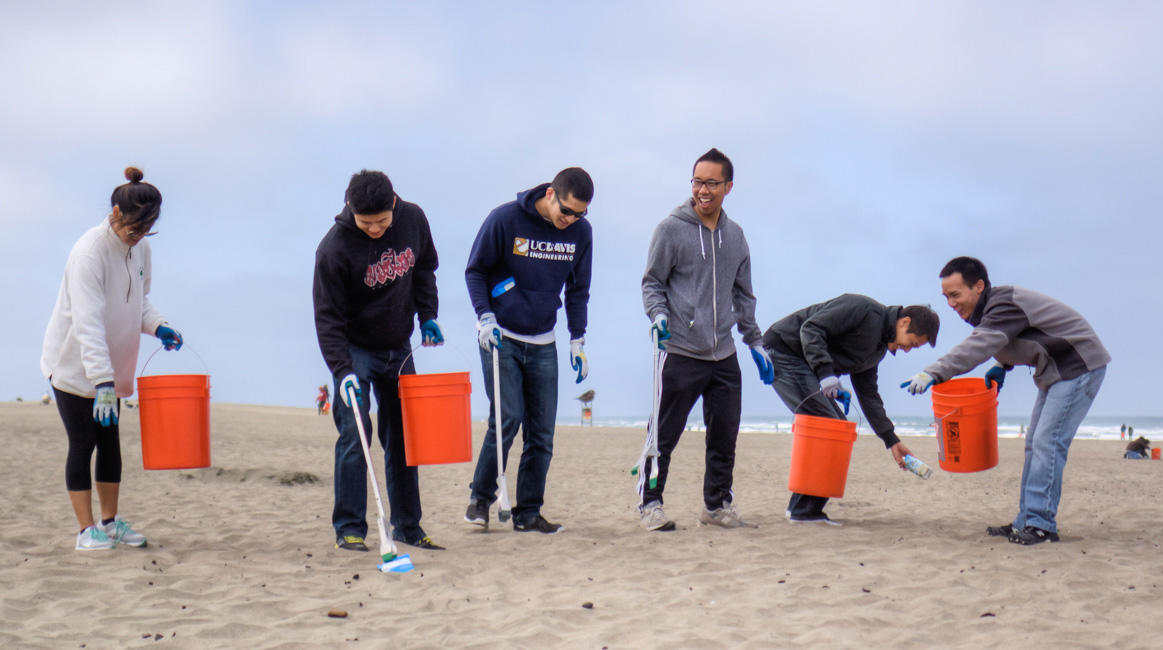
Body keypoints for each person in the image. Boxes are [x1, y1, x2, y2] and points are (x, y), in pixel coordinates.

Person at [902, 256, 1110, 545]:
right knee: (1034, 444)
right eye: (946, 297)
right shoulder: (991, 310)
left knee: (1047, 443)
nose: (951, 303)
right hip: (1056, 371)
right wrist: (1004, 365)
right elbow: (1016, 337)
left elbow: (980, 345)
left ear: (978, 286)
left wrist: (932, 373)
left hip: (1078, 366)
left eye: (955, 294)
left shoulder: (1003, 304)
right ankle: (1027, 520)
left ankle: (1042, 525)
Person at [41, 167, 183, 551]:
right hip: (73, 367)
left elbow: (138, 302)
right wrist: (102, 382)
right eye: (134, 228)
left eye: (146, 230)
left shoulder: (141, 248)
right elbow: (87, 324)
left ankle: (110, 521)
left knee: (111, 444)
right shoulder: (88, 253)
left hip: (111, 369)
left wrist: (159, 326)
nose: (138, 237)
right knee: (83, 442)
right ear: (116, 214)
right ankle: (86, 530)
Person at [638, 148, 774, 532]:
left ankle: (716, 506)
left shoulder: (735, 236)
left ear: (728, 187)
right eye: (697, 181)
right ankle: (650, 503)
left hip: (724, 353)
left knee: (725, 436)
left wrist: (756, 342)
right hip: (679, 348)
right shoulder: (670, 229)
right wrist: (658, 315)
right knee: (663, 434)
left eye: (711, 183)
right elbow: (652, 283)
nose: (703, 190)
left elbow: (744, 295)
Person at [313, 169, 445, 552]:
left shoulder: (413, 219)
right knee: (356, 435)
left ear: (394, 204)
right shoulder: (334, 248)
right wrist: (342, 372)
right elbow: (328, 317)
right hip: (355, 351)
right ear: (351, 209)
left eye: (382, 222)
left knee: (404, 439)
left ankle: (408, 525)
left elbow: (424, 269)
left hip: (399, 347)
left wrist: (428, 316)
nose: (375, 229)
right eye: (366, 223)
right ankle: (350, 528)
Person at [463, 167, 594, 534]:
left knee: (542, 433)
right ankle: (479, 500)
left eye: (580, 214)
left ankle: (528, 512)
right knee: (507, 418)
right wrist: (484, 316)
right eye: (566, 211)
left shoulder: (581, 234)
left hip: (543, 341)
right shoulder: (505, 219)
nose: (571, 220)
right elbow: (475, 270)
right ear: (551, 194)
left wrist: (577, 339)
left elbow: (578, 290)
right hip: (500, 334)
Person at [763, 295, 940, 524]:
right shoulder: (863, 309)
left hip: (805, 364)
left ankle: (803, 509)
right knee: (830, 426)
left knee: (839, 429)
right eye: (912, 342)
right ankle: (803, 511)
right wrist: (826, 374)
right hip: (784, 350)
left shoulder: (876, 351)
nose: (907, 349)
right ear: (904, 322)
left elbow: (868, 395)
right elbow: (811, 328)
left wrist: (891, 440)